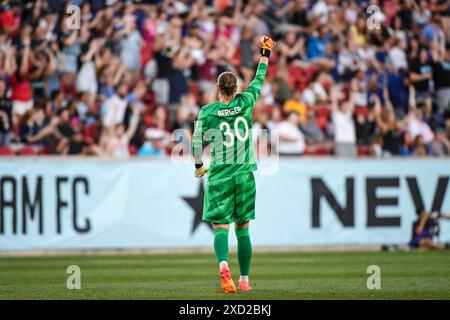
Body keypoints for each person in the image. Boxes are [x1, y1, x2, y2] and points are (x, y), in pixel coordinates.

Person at [192, 36, 276, 293]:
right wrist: (265, 53)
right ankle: (244, 280)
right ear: (236, 88)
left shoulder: (207, 111)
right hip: (244, 175)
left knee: (220, 228)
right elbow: (260, 78)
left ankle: (223, 265)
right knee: (243, 230)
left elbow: (196, 141)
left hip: (219, 175)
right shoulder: (247, 101)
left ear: (219, 89)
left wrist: (198, 165)